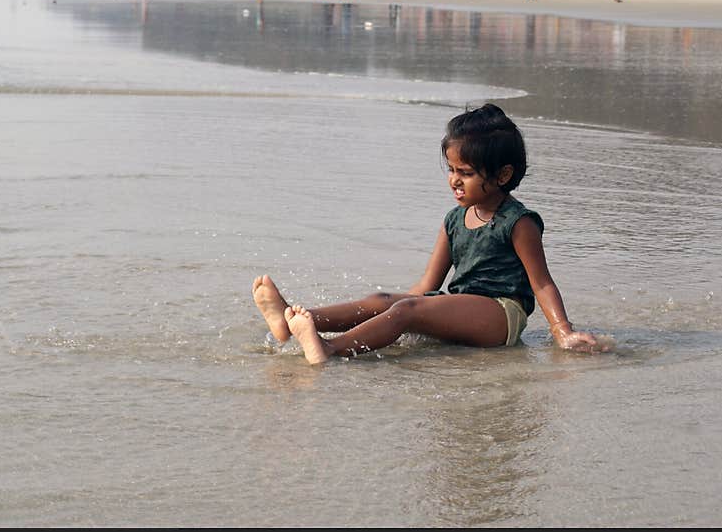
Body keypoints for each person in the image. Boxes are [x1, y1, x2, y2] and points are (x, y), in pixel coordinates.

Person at [252, 104, 606, 365]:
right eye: (451, 169)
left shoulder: (518, 221)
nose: (454, 179)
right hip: (462, 306)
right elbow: (426, 287)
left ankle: (331, 348)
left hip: (500, 316)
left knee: (407, 310)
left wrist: (562, 331)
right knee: (386, 299)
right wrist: (397, 304)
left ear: (502, 175)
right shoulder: (454, 220)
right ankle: (298, 319)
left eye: (465, 172)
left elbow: (541, 283)